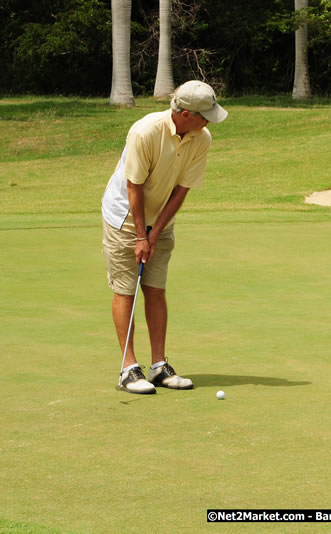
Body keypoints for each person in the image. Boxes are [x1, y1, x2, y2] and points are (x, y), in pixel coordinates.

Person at [101, 80, 228, 394]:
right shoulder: (145, 132)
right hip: (125, 218)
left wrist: (155, 232)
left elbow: (181, 189)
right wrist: (141, 236)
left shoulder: (202, 137)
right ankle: (128, 369)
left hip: (160, 220)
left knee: (155, 289)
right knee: (126, 290)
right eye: (204, 115)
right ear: (184, 114)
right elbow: (134, 187)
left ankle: (159, 366)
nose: (209, 121)